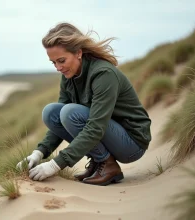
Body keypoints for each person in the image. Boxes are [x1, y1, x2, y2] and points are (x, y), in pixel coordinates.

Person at [16, 22, 152, 186]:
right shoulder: (68, 76)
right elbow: (58, 121)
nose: (58, 68)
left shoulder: (103, 74)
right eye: (54, 63)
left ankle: (108, 165)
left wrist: (56, 164)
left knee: (70, 113)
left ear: (78, 53)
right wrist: (39, 152)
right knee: (51, 112)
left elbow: (95, 126)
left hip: (131, 144)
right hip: (106, 133)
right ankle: (99, 161)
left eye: (61, 60)